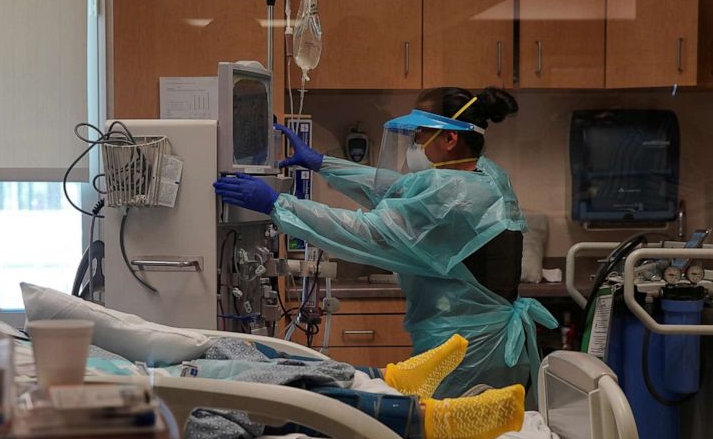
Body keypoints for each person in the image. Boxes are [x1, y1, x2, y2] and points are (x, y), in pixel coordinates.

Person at [213, 87, 557, 398]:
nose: (415, 143)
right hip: (477, 340)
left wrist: (278, 205)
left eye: (420, 134)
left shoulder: (454, 195)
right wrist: (323, 164)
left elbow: (368, 232)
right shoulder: (481, 175)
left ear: (450, 139)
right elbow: (395, 189)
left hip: (468, 352)